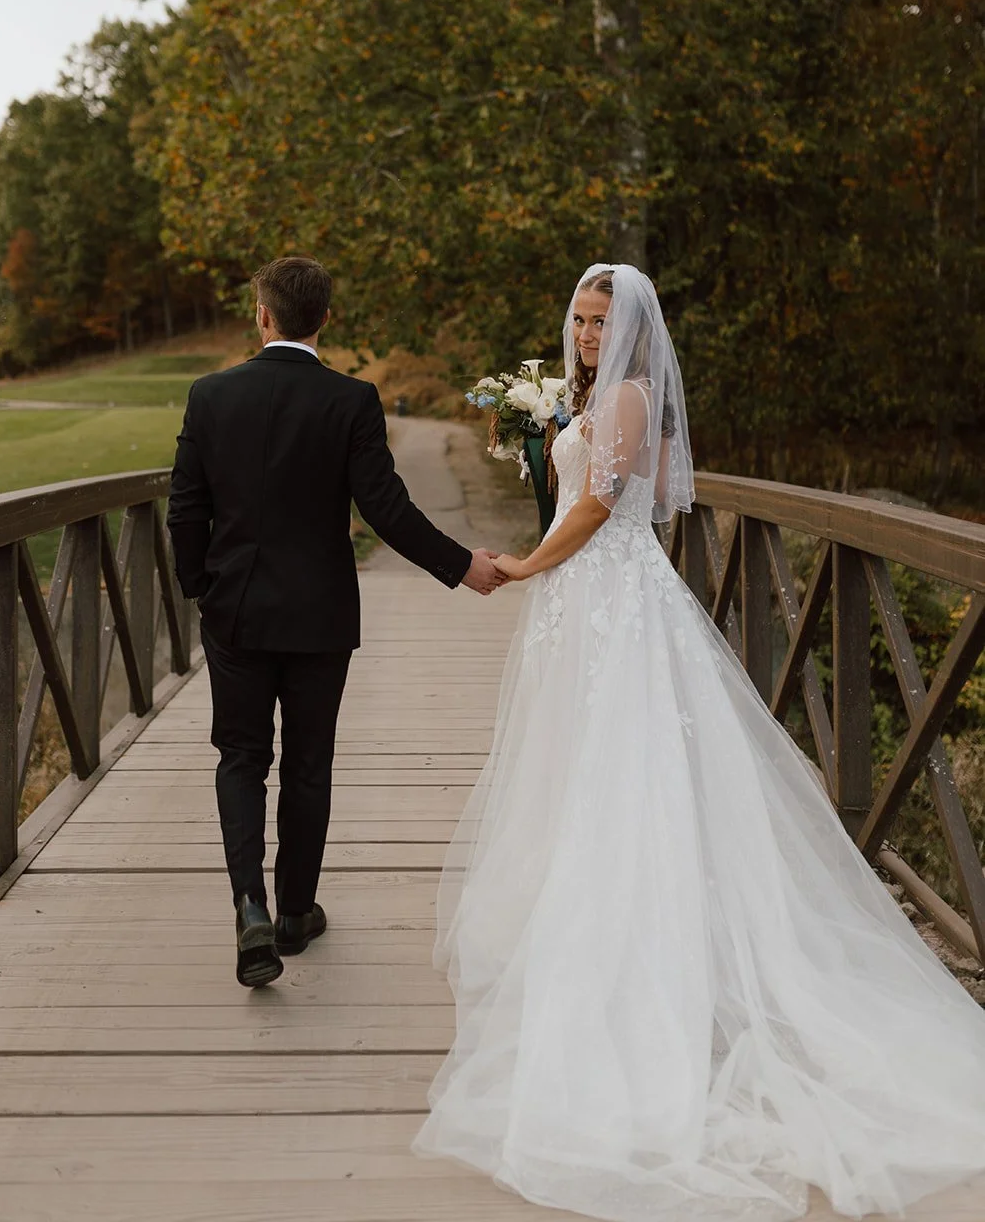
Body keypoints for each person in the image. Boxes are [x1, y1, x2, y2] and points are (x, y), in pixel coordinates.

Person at [413, 262, 985, 1221]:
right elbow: (569, 485)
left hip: (613, 603)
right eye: (579, 320)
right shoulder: (591, 394)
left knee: (628, 777)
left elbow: (594, 510)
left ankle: (652, 965)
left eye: (600, 321)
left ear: (632, 326)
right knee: (572, 778)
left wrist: (521, 565)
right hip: (578, 610)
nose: (587, 336)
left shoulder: (631, 398)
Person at [168, 255, 503, 988]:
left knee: (240, 757)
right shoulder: (351, 399)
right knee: (309, 761)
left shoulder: (210, 396)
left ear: (262, 315)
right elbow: (385, 508)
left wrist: (204, 589)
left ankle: (248, 907)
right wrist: (461, 566)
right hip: (319, 613)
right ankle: (294, 913)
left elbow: (186, 509)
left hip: (236, 613)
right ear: (325, 319)